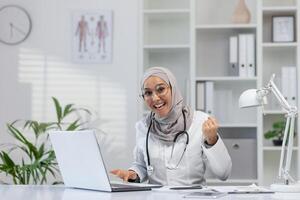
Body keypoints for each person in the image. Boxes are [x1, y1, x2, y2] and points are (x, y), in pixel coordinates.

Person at [111, 67, 232, 186]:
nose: (155, 98)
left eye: (161, 89)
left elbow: (224, 173)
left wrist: (212, 140)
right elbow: (141, 165)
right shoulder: (143, 127)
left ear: (173, 89)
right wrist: (133, 174)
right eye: (148, 93)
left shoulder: (201, 122)